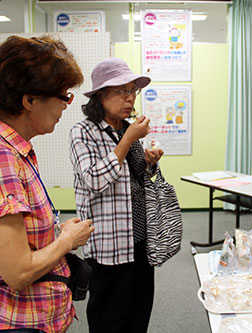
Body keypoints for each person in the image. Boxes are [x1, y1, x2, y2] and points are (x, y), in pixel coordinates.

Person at [0, 35, 95, 333]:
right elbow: (18, 271)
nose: (67, 106)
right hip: (18, 322)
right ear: (29, 100)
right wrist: (67, 240)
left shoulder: (8, 147)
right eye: (64, 96)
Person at [69, 58, 164, 333]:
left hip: (140, 238)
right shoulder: (83, 132)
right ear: (100, 95)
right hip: (109, 243)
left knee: (139, 311)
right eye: (121, 90)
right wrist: (128, 140)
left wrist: (149, 160)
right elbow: (94, 180)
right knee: (109, 317)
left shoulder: (127, 129)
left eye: (132, 90)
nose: (129, 97)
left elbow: (135, 178)